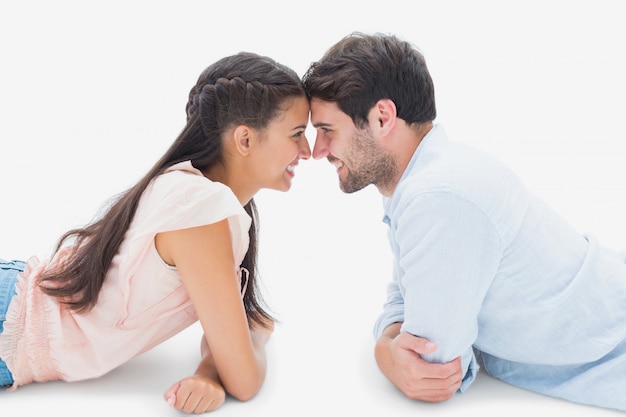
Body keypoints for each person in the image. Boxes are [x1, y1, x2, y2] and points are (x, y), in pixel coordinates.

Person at [302, 32, 626, 412]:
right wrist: (386, 344)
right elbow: (403, 292)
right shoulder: (428, 179)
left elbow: (434, 366)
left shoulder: (438, 199)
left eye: (326, 129)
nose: (317, 150)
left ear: (382, 117)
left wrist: (387, 351)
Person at [0, 51, 311, 414]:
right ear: (244, 140)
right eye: (297, 133)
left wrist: (211, 371)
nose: (307, 151)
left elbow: (225, 332)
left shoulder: (203, 200)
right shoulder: (200, 212)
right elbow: (244, 378)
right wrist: (252, 337)